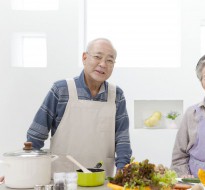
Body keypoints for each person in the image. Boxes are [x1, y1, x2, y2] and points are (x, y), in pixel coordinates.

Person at [23, 38, 131, 177]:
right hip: (62, 179)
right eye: (97, 57)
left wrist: (123, 172)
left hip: (101, 181)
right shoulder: (61, 90)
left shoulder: (117, 95)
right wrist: (21, 171)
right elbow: (35, 137)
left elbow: (122, 140)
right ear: (84, 57)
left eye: (110, 60)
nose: (103, 64)